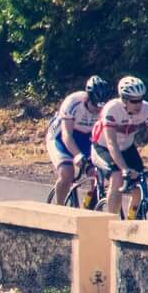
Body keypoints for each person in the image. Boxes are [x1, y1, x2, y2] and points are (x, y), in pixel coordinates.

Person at [91, 75, 148, 204]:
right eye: (134, 101)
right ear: (124, 100)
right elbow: (111, 143)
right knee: (117, 177)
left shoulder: (147, 109)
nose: (138, 104)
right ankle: (111, 222)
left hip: (127, 148)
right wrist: (124, 168)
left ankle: (132, 222)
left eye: (140, 100)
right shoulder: (111, 109)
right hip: (104, 147)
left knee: (141, 186)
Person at [45, 75, 107, 206]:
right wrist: (78, 155)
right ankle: (59, 208)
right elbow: (66, 135)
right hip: (61, 137)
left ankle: (91, 205)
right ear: (87, 98)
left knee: (97, 174)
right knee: (67, 174)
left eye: (100, 107)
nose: (98, 110)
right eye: (95, 106)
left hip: (86, 138)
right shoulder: (73, 102)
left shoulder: (107, 108)